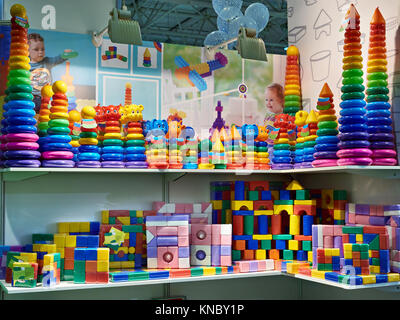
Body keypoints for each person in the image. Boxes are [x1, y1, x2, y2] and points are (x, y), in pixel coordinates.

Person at [28, 33, 67, 112]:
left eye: (42, 49)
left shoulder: (46, 61)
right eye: (36, 49)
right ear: (27, 51)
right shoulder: (26, 64)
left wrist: (64, 55)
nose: (40, 52)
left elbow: (57, 59)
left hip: (47, 97)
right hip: (31, 97)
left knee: (46, 115)